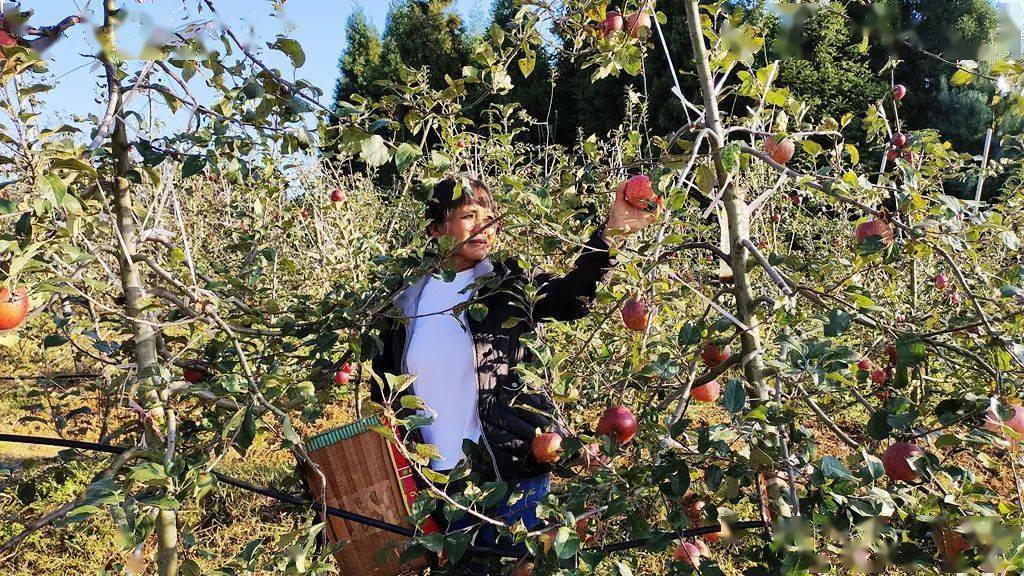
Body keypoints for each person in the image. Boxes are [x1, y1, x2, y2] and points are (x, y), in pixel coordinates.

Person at [368, 175, 654, 565]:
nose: (484, 223)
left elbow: (571, 298)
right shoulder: (403, 303)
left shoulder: (509, 284)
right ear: (436, 229)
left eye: (490, 214)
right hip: (440, 486)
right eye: (469, 214)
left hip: (512, 474)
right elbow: (383, 393)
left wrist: (612, 234)